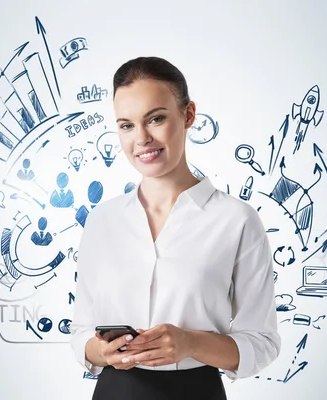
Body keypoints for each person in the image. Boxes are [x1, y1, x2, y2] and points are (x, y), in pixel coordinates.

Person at [70, 56, 281, 399]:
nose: (141, 138)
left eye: (155, 119)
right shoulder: (102, 221)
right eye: (126, 125)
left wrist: (189, 342)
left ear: (188, 115)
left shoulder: (236, 220)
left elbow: (263, 342)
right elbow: (81, 332)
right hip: (114, 391)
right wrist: (101, 352)